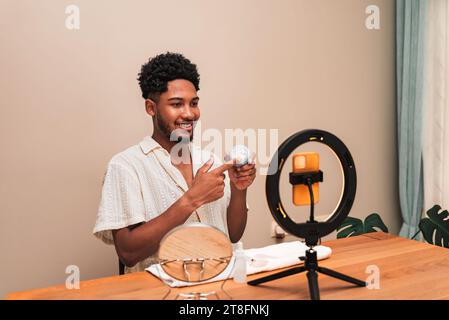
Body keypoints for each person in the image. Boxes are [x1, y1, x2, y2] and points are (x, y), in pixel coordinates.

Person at [93, 52, 256, 273]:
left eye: (194, 103)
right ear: (151, 108)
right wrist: (192, 198)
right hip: (162, 291)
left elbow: (233, 234)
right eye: (177, 104)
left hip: (221, 284)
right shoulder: (126, 166)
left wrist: (239, 190)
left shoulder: (210, 161)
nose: (189, 114)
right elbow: (128, 253)